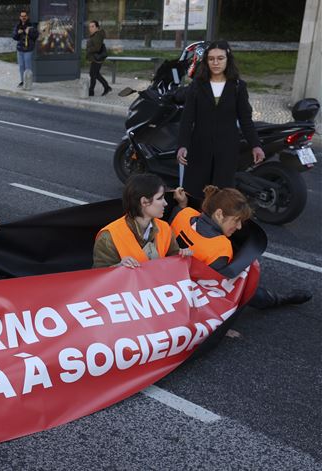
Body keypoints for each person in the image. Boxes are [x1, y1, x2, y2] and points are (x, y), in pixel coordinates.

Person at [171, 186, 311, 308]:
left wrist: (182, 204)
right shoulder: (221, 247)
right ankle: (277, 299)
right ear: (219, 214)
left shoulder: (184, 213)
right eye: (236, 220)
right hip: (192, 290)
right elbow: (219, 289)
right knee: (243, 287)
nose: (238, 227)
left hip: (169, 281)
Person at [177, 40, 264, 199]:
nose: (215, 63)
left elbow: (245, 119)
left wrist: (256, 145)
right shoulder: (196, 85)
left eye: (220, 58)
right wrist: (182, 145)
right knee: (194, 195)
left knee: (221, 197)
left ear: (228, 59)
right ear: (206, 61)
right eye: (211, 59)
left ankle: (215, 224)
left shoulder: (238, 86)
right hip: (199, 149)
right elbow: (187, 118)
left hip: (227, 150)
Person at [93, 173, 191, 268]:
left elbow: (173, 261)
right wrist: (118, 267)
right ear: (144, 201)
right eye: (160, 198)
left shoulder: (165, 228)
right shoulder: (108, 237)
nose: (165, 203)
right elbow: (99, 276)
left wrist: (182, 256)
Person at [12, 9, 38, 87]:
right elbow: (14, 37)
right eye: (22, 16)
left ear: (27, 17)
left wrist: (29, 32)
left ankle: (28, 82)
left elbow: (35, 36)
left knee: (28, 66)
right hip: (20, 49)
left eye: (25, 16)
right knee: (21, 66)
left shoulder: (31, 25)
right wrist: (17, 33)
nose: (23, 17)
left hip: (28, 50)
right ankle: (22, 81)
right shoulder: (17, 26)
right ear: (20, 17)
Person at [86, 20, 111, 97]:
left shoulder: (97, 35)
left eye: (93, 26)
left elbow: (97, 48)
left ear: (97, 27)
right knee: (94, 74)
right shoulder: (94, 35)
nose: (90, 28)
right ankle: (106, 87)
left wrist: (88, 49)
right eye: (90, 26)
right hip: (95, 58)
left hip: (97, 58)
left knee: (93, 74)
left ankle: (91, 91)